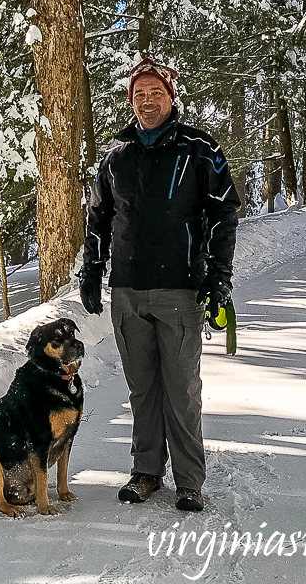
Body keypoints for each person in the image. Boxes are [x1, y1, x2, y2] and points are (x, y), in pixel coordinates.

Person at [79, 57, 239, 512]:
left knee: (182, 387)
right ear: (130, 100)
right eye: (139, 95)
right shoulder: (115, 155)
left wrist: (218, 277)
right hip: (128, 291)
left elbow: (225, 213)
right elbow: (98, 218)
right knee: (142, 388)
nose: (147, 102)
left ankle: (189, 480)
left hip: (180, 290)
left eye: (156, 93)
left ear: (171, 96)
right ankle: (146, 472)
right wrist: (92, 270)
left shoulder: (199, 149)